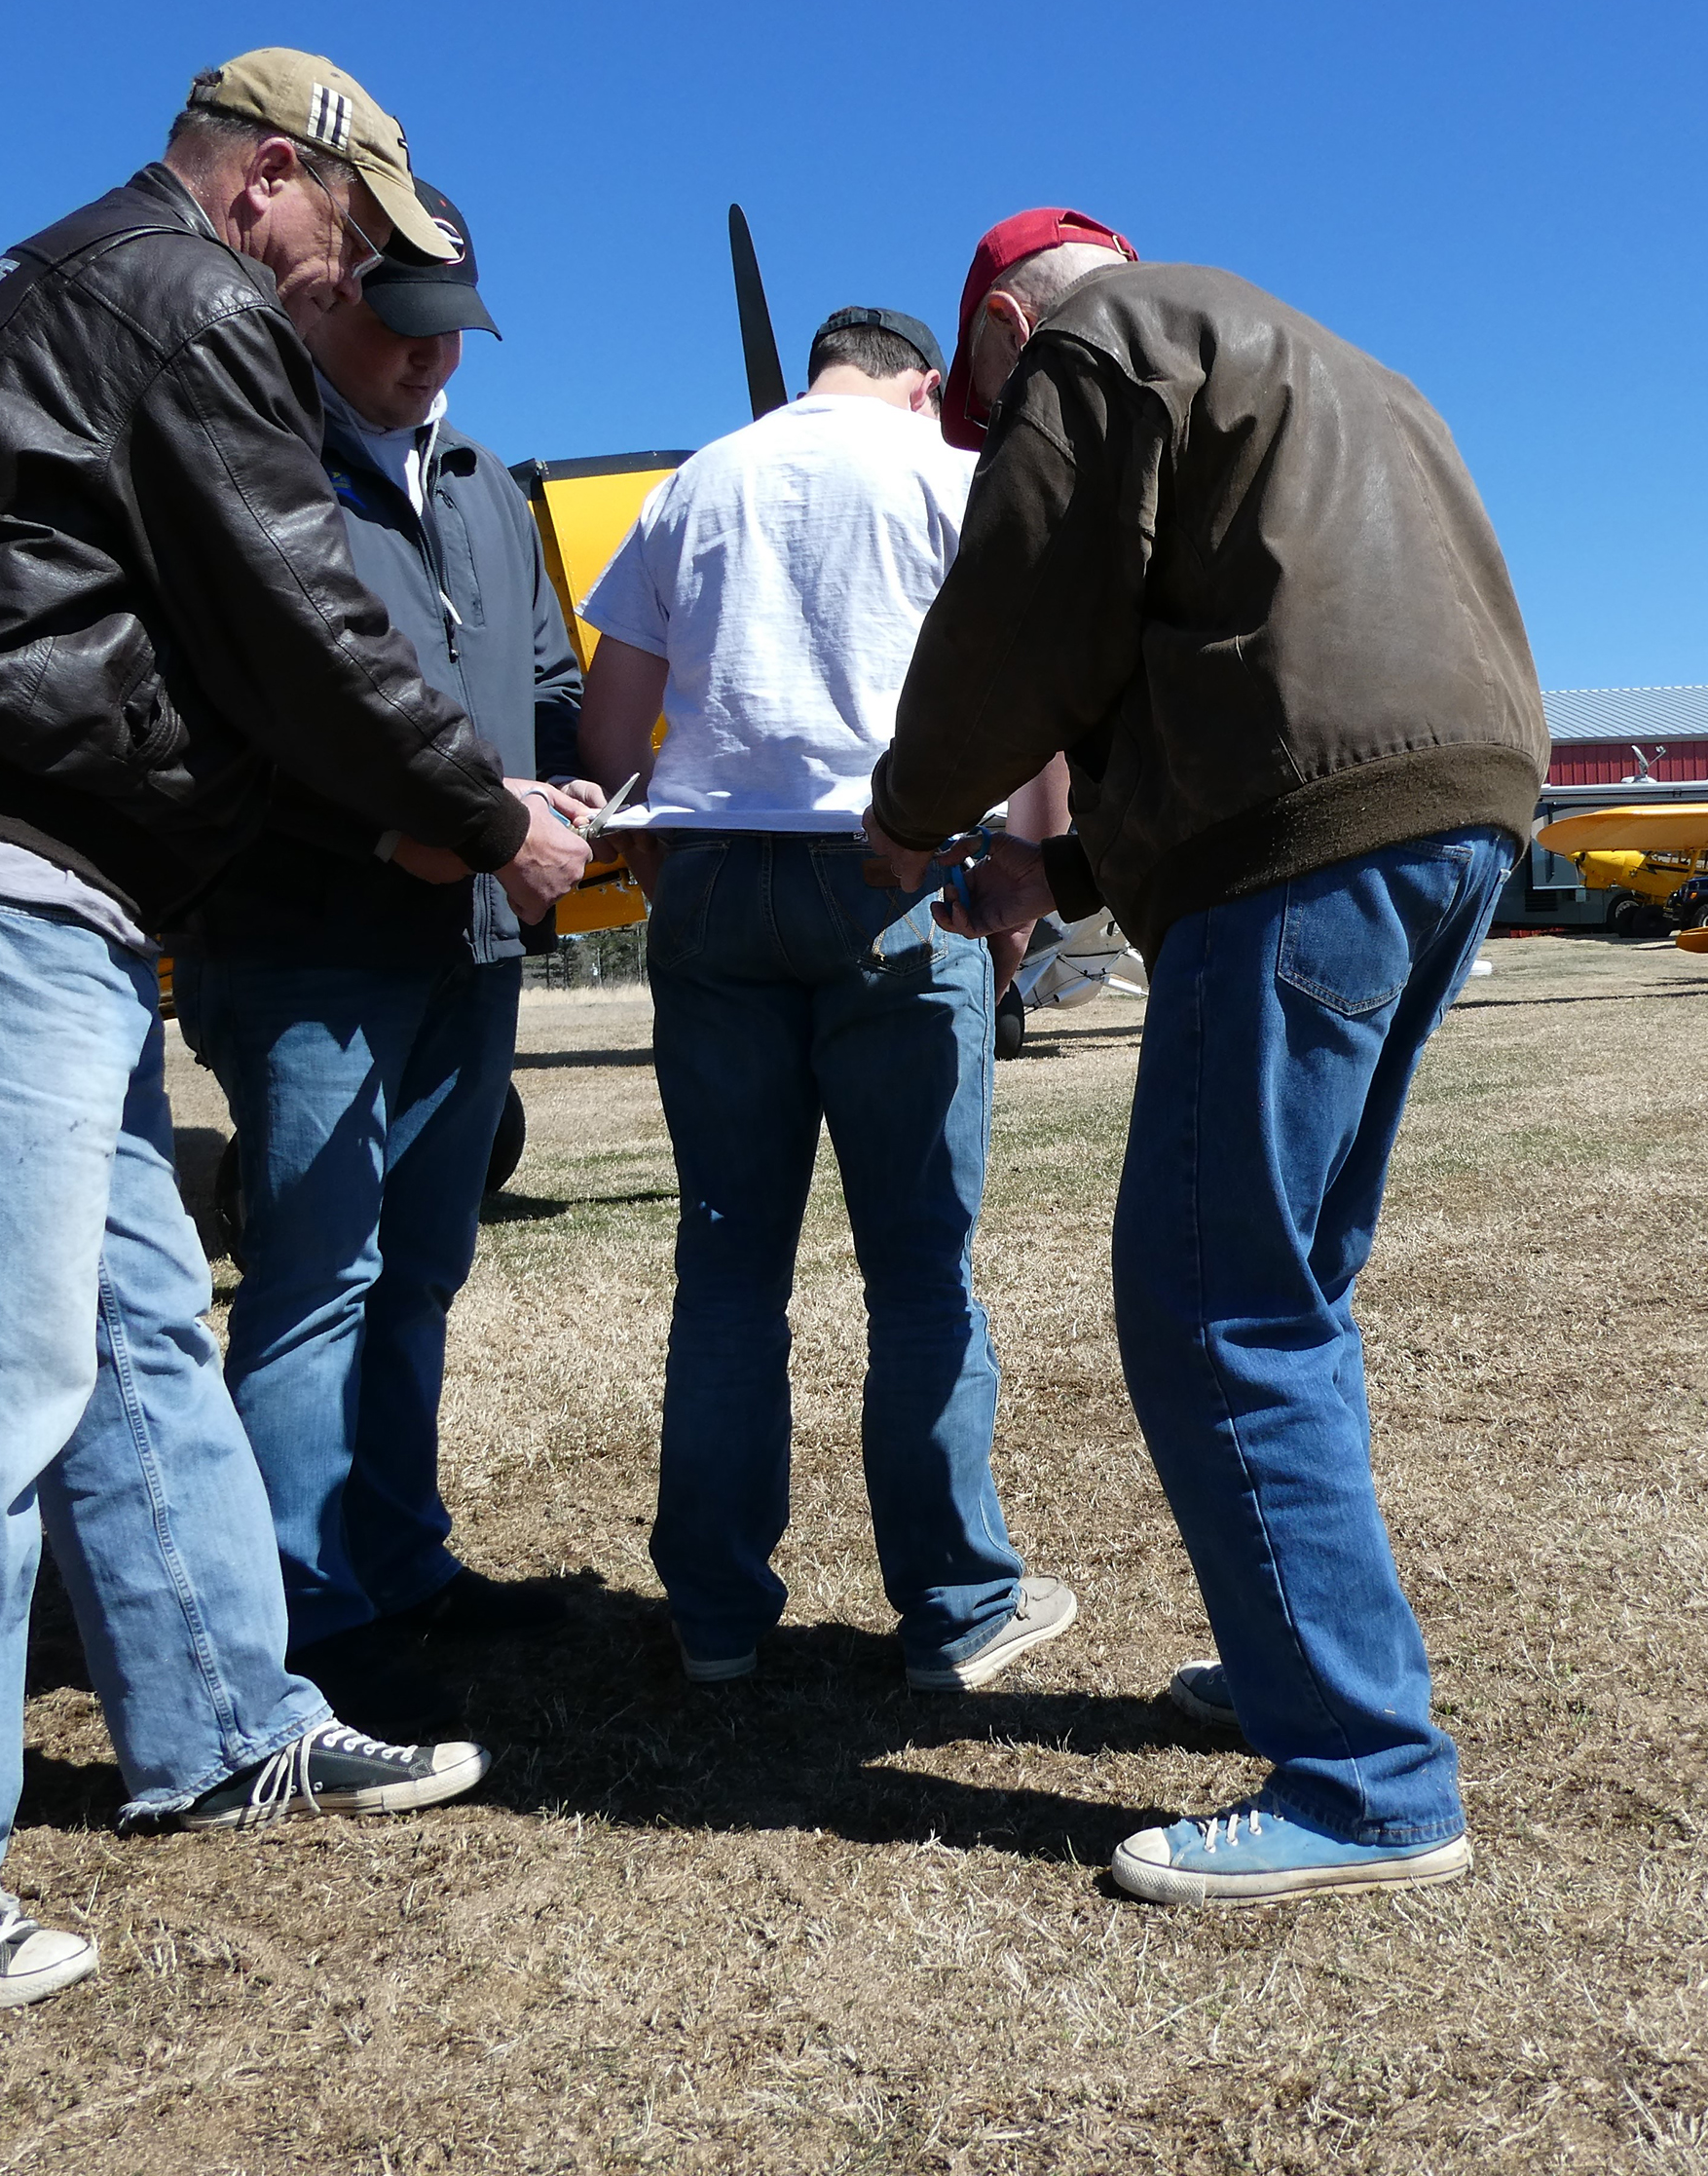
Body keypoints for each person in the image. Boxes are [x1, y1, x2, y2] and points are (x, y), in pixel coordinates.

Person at [0, 51, 595, 2013]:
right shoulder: (185, 293)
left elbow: (213, 636)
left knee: (129, 1332)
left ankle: (219, 1720)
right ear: (268, 181)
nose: (345, 286)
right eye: (349, 240)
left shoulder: (75, 281)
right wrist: (488, 810)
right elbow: (298, 612)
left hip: (45, 884)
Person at [864, 209, 1547, 1905]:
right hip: (1452, 817)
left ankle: (1368, 1779)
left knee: (1213, 1297)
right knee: (1292, 1280)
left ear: (1007, 327)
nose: (992, 431)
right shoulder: (1334, 365)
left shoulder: (1100, 349)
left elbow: (1026, 613)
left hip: (1298, 854)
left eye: (982, 403)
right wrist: (1071, 866)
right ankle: (1300, 1657)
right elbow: (1261, 656)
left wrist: (910, 809)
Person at [576, 306, 1074, 1692]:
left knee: (730, 1264)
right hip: (899, 869)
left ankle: (721, 1617)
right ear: (924, 387)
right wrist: (1022, 882)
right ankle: (956, 1608)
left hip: (721, 882)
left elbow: (613, 743)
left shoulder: (699, 481)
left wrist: (679, 868)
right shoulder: (953, 480)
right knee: (919, 1269)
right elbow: (1025, 702)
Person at [171, 176, 589, 1743]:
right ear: (327, 299)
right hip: (304, 947)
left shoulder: (485, 480)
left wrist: (565, 789)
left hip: (473, 942)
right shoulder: (246, 467)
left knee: (419, 1268)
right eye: (406, 330)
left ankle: (400, 1564)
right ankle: (303, 1615)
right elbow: (218, 720)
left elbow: (545, 679)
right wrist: (382, 840)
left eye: (454, 333)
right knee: (313, 1281)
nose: (435, 362)